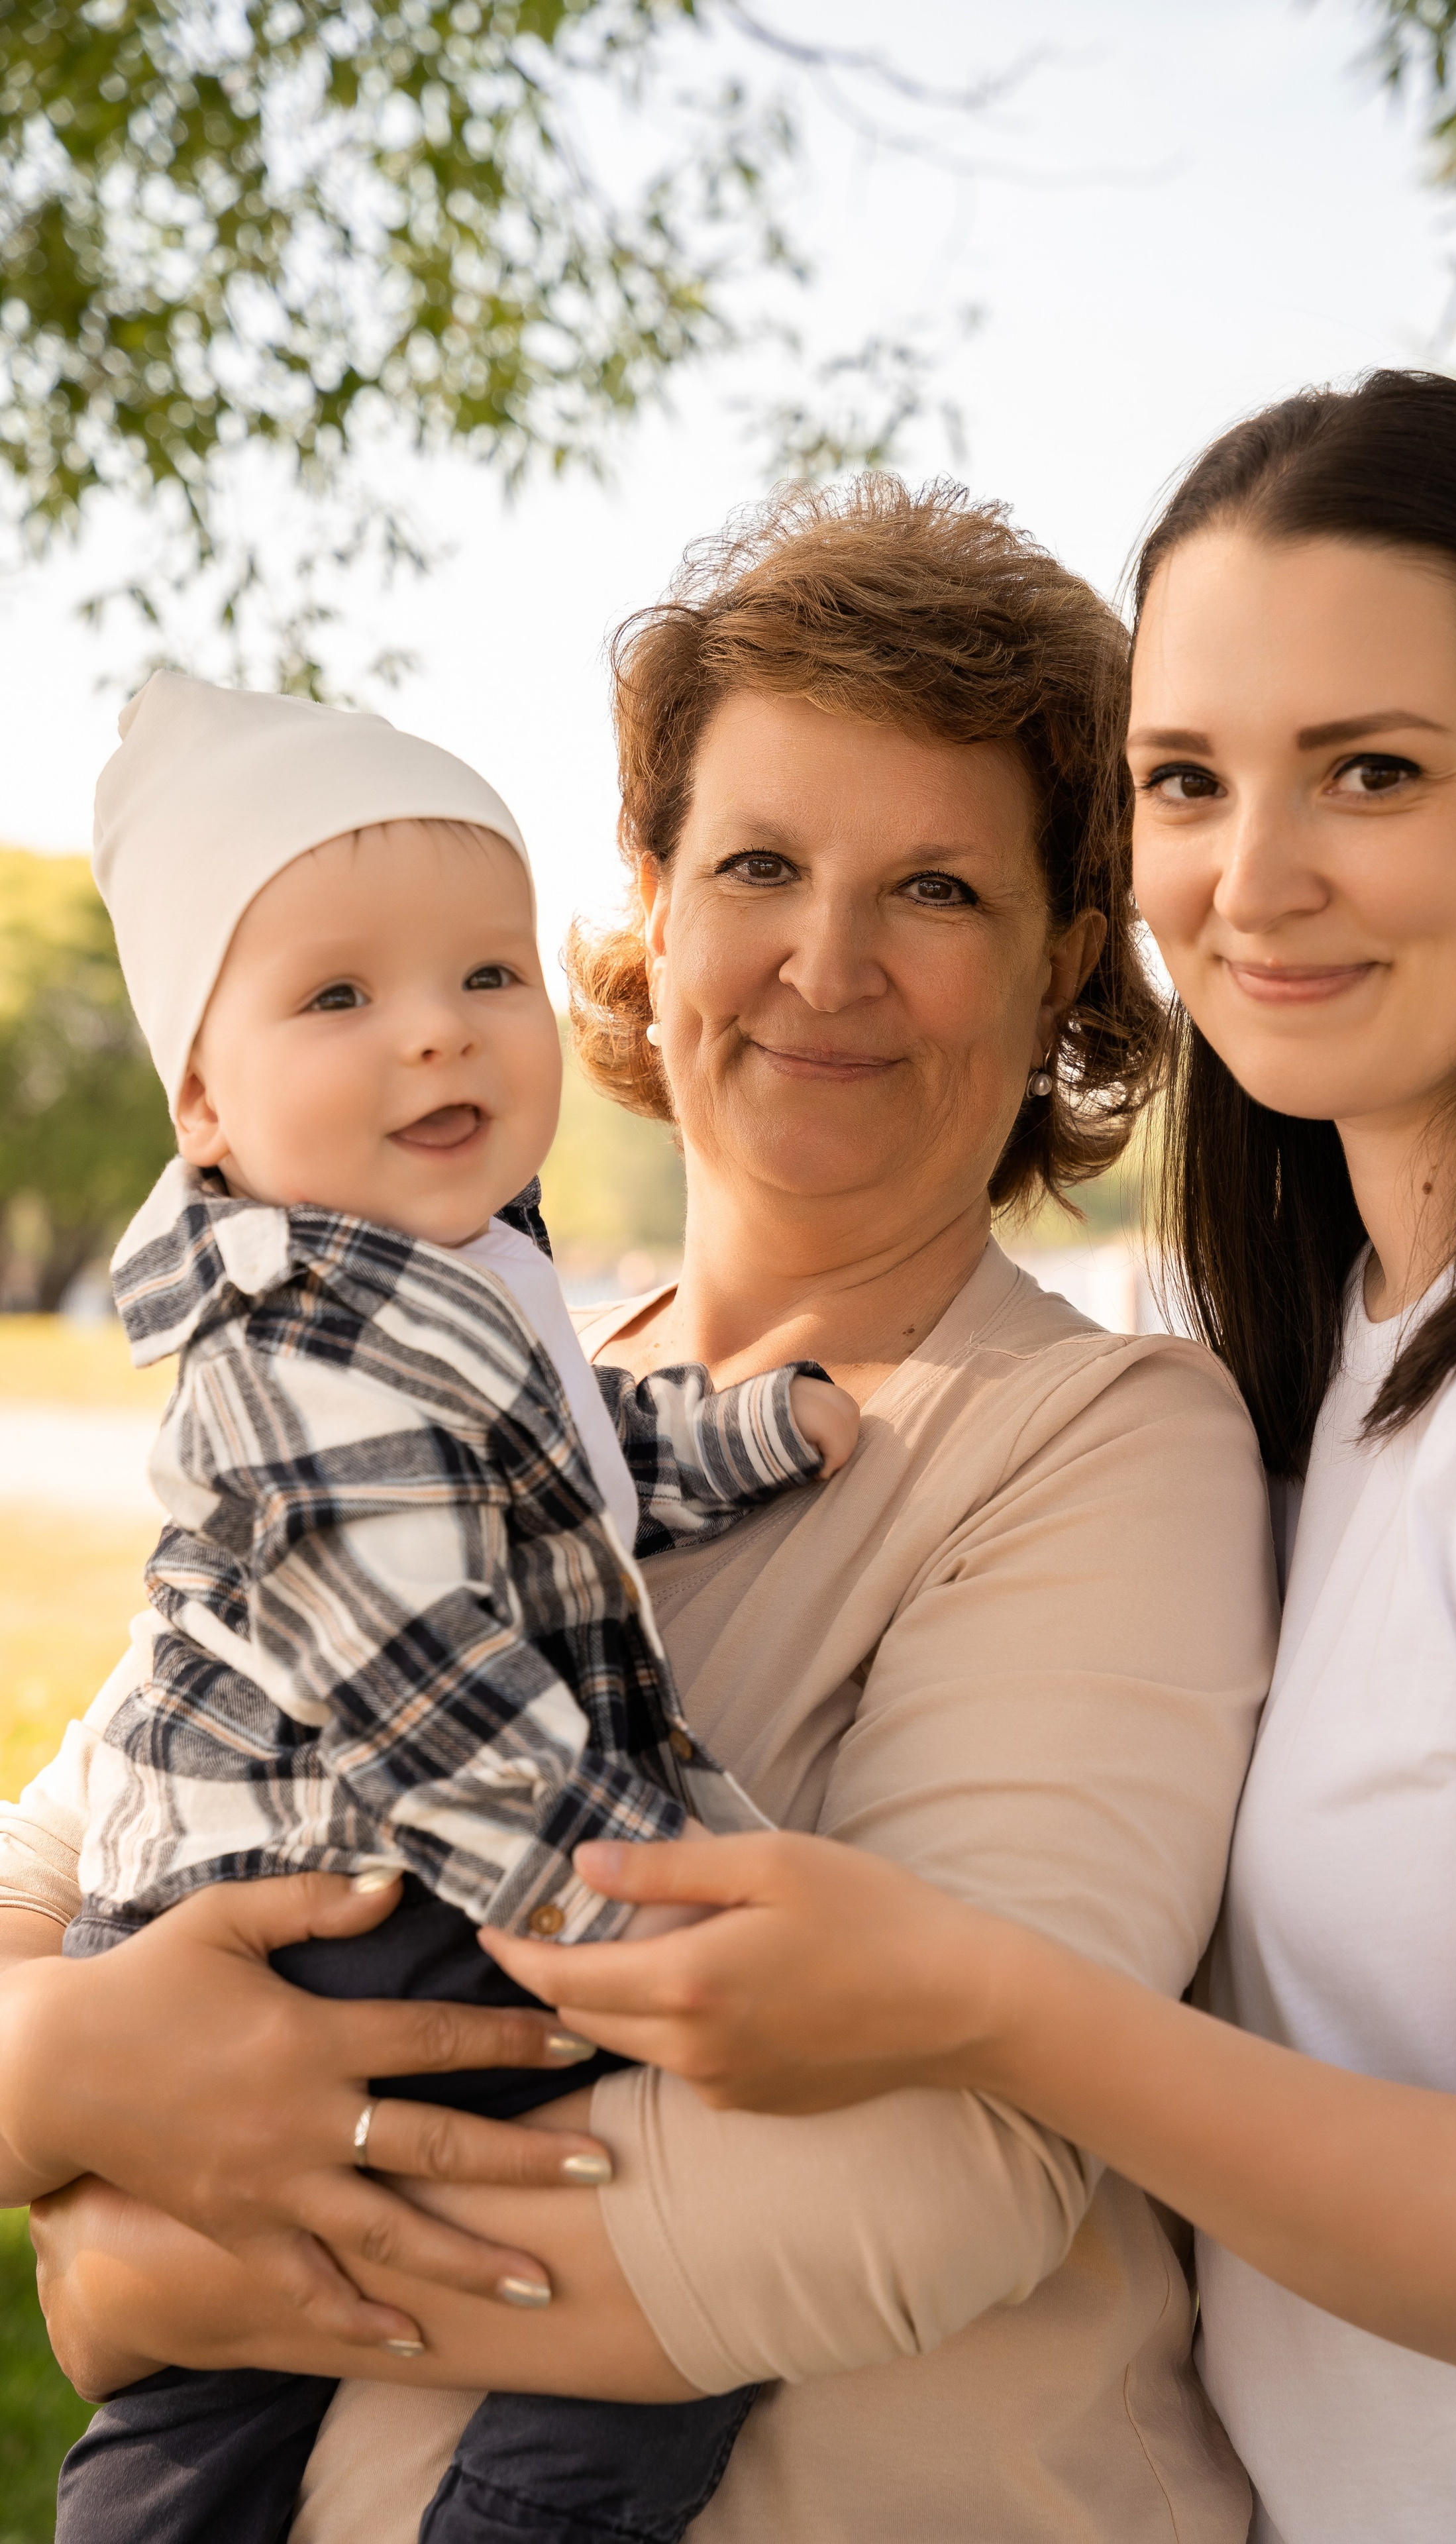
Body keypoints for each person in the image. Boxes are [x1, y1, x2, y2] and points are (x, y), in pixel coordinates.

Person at [482, 374, 1456, 2544]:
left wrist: (986, 2004)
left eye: (1376, 773)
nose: (1261, 877)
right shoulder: (1321, 1342)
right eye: (1191, 785)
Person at [3, 480, 1278, 2544]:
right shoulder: (449, 1398)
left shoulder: (1095, 1437)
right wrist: (60, 2079)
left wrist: (176, 2263)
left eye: (938, 891)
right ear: (656, 906)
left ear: (1065, 962)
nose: (824, 963)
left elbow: (948, 2172)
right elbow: (68, 1849)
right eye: (759, 862)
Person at [50, 670, 859, 2544]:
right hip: (328, 1910)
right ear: (206, 1102)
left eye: (486, 978)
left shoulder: (465, 1275)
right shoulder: (292, 1357)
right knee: (627, 2293)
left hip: (391, 1887)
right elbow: (444, 1698)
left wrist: (739, 1433)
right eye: (340, 998)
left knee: (232, 2390)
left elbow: (568, 1466)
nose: (438, 1040)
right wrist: (631, 1910)